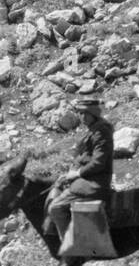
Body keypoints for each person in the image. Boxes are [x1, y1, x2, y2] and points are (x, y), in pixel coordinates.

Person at [47, 97, 114, 253]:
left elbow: (98, 163)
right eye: (80, 113)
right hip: (87, 177)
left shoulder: (101, 132)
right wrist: (70, 173)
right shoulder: (94, 129)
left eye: (85, 113)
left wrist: (76, 173)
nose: (82, 117)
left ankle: (71, 251)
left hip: (94, 182)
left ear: (93, 114)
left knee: (56, 207)